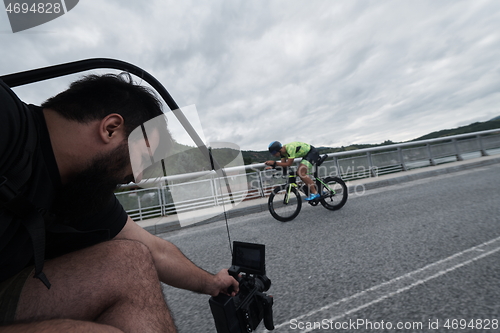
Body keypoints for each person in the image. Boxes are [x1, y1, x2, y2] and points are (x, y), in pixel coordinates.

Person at [0, 73, 238, 332]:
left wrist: (212, 283)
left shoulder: (80, 188)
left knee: (132, 259)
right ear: (111, 128)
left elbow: (155, 250)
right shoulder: (7, 121)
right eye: (143, 159)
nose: (136, 177)